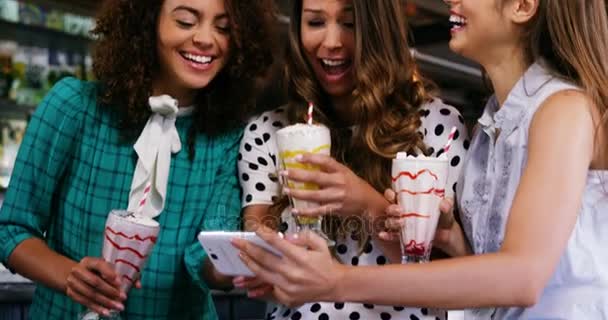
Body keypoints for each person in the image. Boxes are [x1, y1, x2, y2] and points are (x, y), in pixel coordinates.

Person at [234, 0, 608, 318]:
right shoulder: (491, 127)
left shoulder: (564, 109)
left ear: (523, 6)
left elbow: (523, 276)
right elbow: (487, 274)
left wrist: (336, 280)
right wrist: (451, 239)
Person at [0, 0, 276, 319]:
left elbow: (205, 255)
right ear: (147, 22)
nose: (205, 38)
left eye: (223, 28)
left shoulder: (227, 139)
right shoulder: (73, 107)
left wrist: (241, 261)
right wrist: (69, 275)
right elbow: (12, 229)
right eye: (186, 21)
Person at [236, 0, 468, 319]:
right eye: (316, 23)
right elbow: (257, 236)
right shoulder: (268, 133)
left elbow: (456, 279)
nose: (331, 42)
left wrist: (365, 202)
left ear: (378, 32)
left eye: (350, 24)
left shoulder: (436, 125)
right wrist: (262, 262)